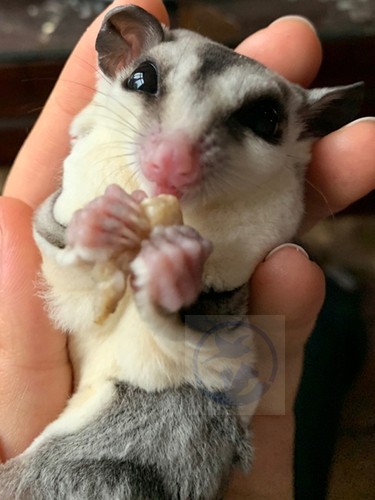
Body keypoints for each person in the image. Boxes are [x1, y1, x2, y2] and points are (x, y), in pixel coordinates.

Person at [0, 1, 374, 498]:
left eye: (260, 120)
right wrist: (82, 243)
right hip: (115, 427)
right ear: (119, 57)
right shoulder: (95, 151)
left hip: (141, 438)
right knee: (330, 328)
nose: (173, 158)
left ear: (304, 137)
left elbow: (208, 361)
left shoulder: (257, 218)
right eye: (146, 82)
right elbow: (62, 288)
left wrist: (179, 300)